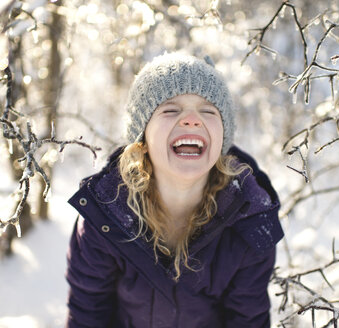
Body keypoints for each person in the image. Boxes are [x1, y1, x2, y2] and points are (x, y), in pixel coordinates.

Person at [65, 52, 284, 327]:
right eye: (170, 109)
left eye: (208, 111)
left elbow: (247, 320)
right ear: (142, 139)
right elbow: (88, 317)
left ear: (222, 141)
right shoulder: (104, 218)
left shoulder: (249, 218)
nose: (192, 119)